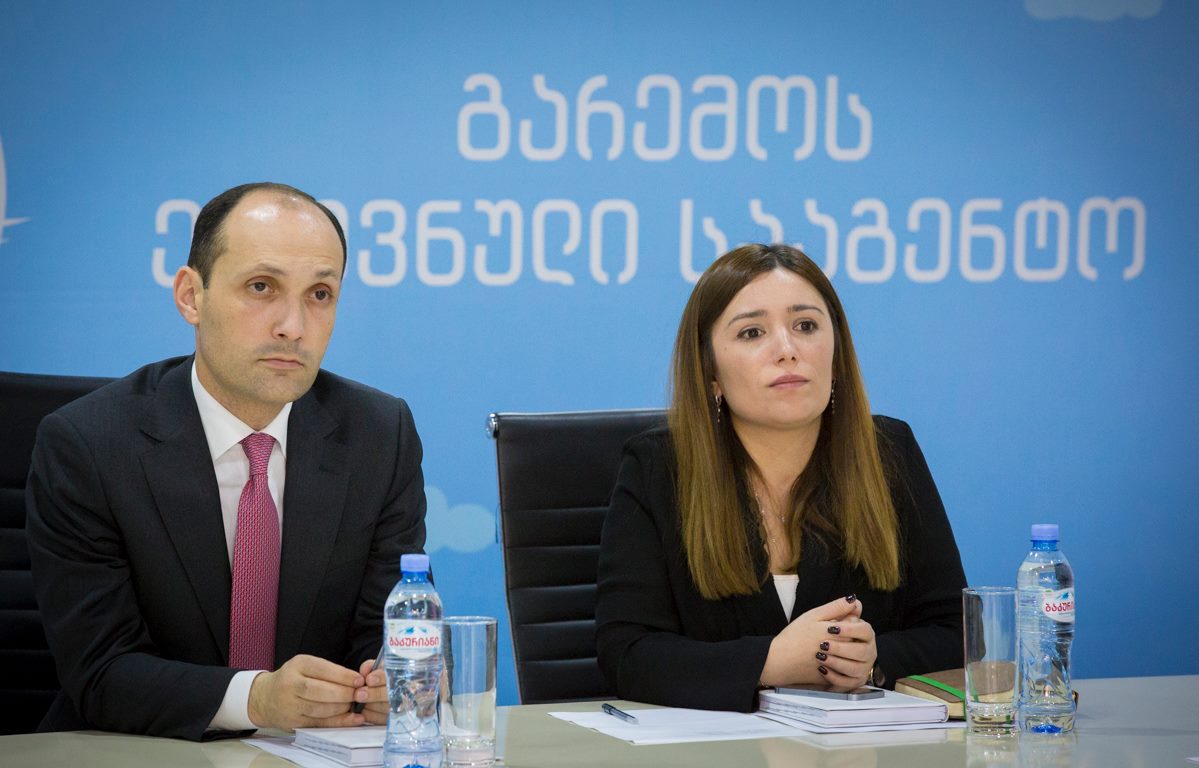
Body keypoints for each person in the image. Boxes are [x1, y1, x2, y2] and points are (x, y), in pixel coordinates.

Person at [25, 182, 426, 739]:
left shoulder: (379, 435)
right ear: (191, 296)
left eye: (320, 294)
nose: (293, 326)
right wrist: (256, 699)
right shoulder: (88, 445)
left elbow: (386, 631)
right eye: (261, 287)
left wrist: (393, 682)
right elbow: (101, 670)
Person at [595, 243, 966, 712]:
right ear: (710, 372)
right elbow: (626, 653)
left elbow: (956, 632)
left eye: (805, 326)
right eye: (752, 332)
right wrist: (769, 662)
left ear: (837, 351)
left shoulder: (888, 453)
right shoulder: (659, 468)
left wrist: (873, 660)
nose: (787, 351)